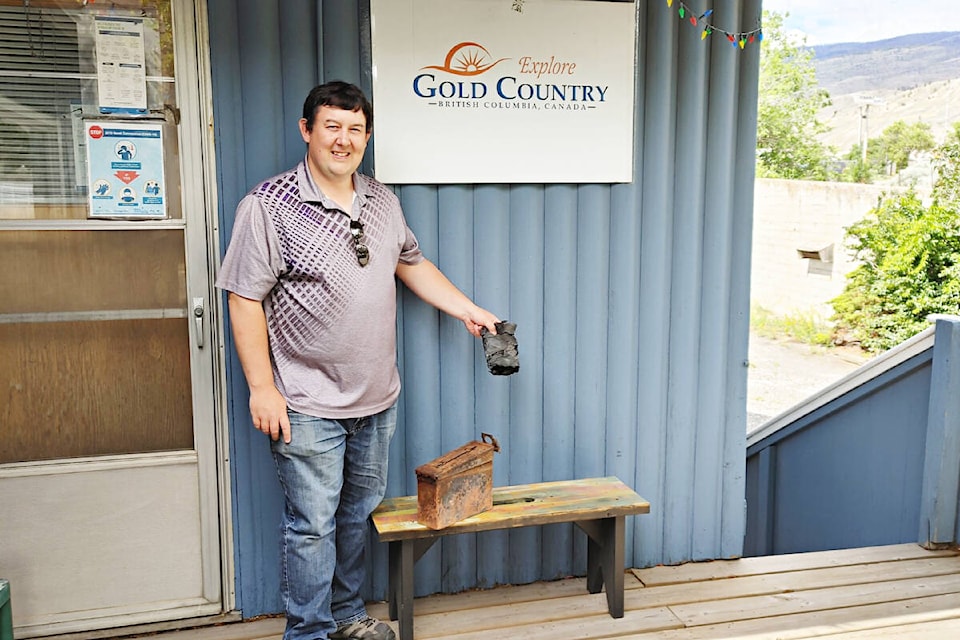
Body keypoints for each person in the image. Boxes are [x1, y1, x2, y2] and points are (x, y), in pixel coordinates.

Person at [216, 81, 500, 640]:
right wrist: (261, 388)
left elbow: (412, 264)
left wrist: (468, 309)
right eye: (332, 127)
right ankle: (308, 632)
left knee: (352, 518)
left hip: (376, 399)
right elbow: (243, 296)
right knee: (312, 527)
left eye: (355, 130)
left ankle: (346, 618)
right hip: (304, 402)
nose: (343, 140)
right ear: (307, 131)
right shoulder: (268, 206)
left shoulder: (381, 200)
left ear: (366, 137)